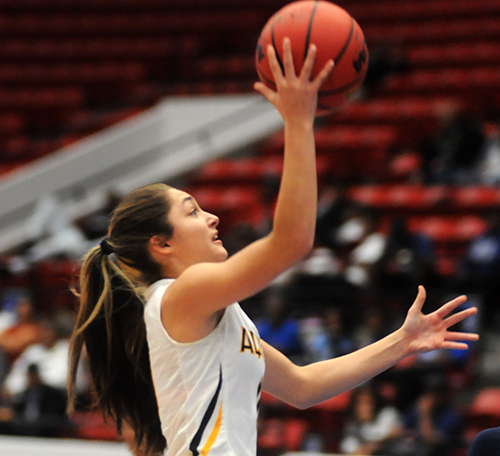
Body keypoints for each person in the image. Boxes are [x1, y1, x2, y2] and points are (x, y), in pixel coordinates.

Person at [67, 39, 479, 456]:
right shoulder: (181, 294)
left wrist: (401, 342)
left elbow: (303, 387)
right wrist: (299, 123)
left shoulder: (211, 312)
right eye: (192, 212)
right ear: (162, 244)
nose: (211, 217)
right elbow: (292, 243)